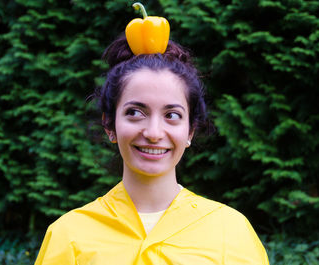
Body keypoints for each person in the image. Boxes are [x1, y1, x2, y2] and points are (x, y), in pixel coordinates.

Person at [34, 33, 269, 265]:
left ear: (190, 131)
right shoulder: (69, 236)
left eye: (172, 115)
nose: (154, 133)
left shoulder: (231, 233)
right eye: (135, 113)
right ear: (109, 124)